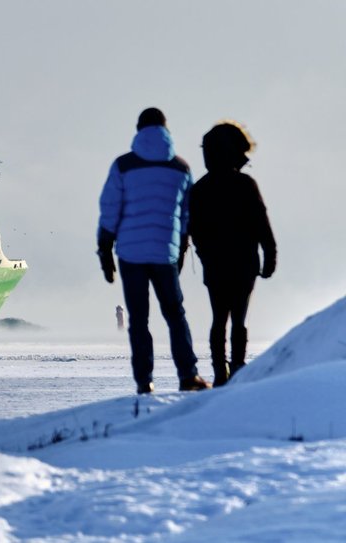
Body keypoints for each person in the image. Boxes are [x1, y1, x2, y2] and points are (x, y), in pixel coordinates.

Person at [98, 108, 210, 394]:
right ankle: (188, 375)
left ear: (138, 130)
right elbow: (187, 216)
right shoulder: (181, 168)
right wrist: (182, 249)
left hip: (131, 254)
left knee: (139, 319)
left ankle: (144, 382)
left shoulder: (123, 166)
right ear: (166, 130)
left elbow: (110, 210)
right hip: (165, 253)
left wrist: (105, 250)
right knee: (175, 314)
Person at [189, 122, 276, 386]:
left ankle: (219, 372)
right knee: (239, 318)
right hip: (244, 263)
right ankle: (237, 367)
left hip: (215, 265)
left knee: (219, 319)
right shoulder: (246, 184)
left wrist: (204, 254)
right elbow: (262, 223)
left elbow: (194, 230)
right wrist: (270, 254)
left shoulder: (200, 189)